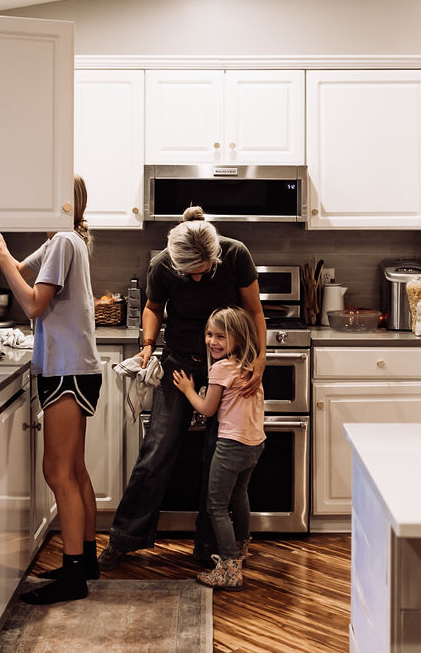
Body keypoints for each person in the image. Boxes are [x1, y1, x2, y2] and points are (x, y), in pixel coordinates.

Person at [98, 206, 267, 571]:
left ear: (215, 256)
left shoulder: (236, 254)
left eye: (202, 272)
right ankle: (124, 539)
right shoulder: (162, 264)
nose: (194, 280)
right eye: (188, 273)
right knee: (156, 451)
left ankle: (213, 548)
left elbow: (254, 311)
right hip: (178, 365)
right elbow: (153, 307)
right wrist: (146, 345)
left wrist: (260, 359)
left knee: (217, 460)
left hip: (226, 367)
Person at [0, 176, 101, 605]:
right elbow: (20, 271)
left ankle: (73, 578)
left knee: (57, 472)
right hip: (72, 367)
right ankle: (85, 560)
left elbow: (32, 304)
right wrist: (2, 253)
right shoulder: (61, 241)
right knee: (75, 469)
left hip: (67, 369)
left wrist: (1, 253)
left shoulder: (65, 240)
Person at [173, 306, 265, 591]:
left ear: (237, 338)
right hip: (254, 444)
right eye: (209, 334)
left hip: (230, 445)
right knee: (239, 496)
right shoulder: (248, 366)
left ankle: (228, 568)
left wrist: (188, 389)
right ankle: (241, 546)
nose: (213, 341)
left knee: (216, 505)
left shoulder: (221, 368)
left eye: (221, 337)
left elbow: (208, 409)